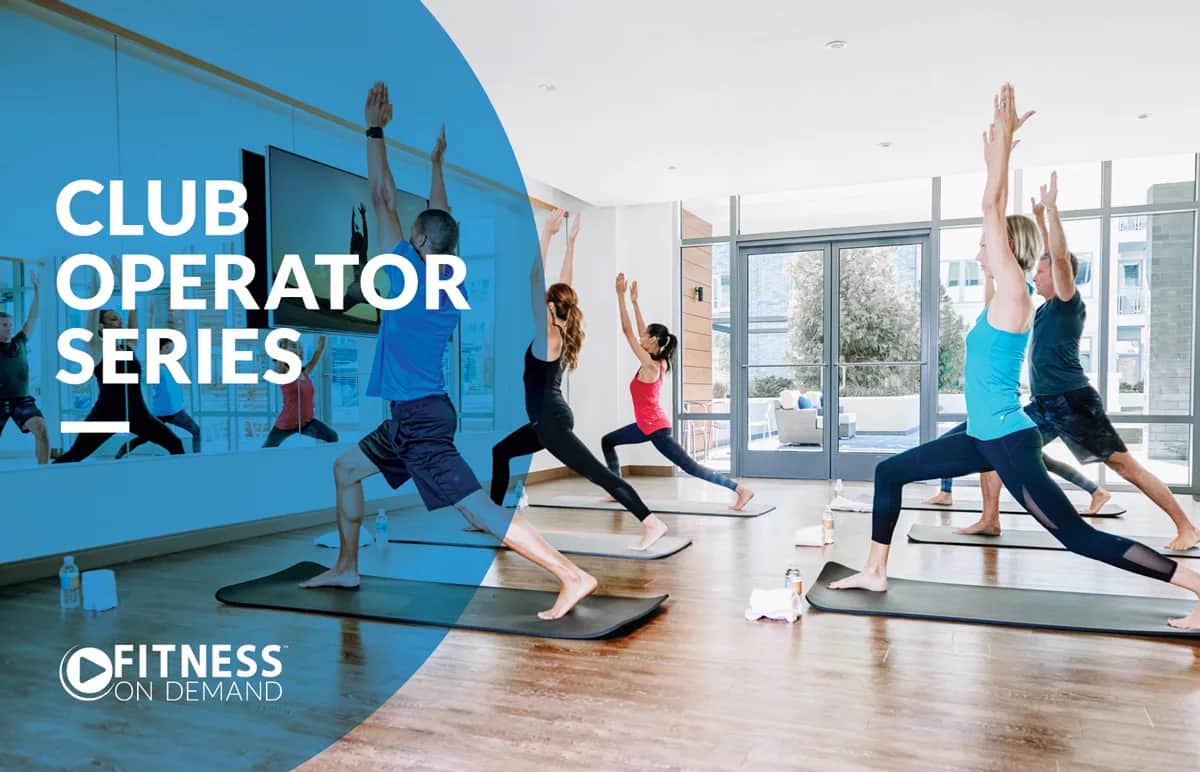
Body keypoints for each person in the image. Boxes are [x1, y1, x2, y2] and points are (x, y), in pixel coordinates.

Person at [830, 83, 1200, 630]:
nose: (979, 250)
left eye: (987, 245)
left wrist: (1000, 152)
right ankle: (876, 571)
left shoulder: (1015, 294)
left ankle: (1194, 584)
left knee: (1076, 537)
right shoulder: (995, 303)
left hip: (1007, 438)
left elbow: (991, 206)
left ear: (1005, 250)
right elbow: (991, 216)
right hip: (981, 433)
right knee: (890, 471)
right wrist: (996, 155)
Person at [300, 83, 597, 621]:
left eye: (411, 234)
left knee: (479, 510)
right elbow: (442, 216)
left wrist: (374, 130)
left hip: (418, 420)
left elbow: (382, 196)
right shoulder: (449, 276)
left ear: (415, 242)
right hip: (416, 413)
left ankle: (572, 575)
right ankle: (347, 567)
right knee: (345, 470)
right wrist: (436, 164)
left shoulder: (408, 271)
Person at [925, 172, 1199, 550]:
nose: (1034, 277)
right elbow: (1043, 259)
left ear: (1058, 274)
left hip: (1074, 402)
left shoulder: (1069, 304)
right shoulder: (1040, 309)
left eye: (1040, 272)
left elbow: (1058, 258)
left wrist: (1051, 212)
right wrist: (1037, 220)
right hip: (1044, 404)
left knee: (1124, 465)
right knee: (994, 445)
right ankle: (990, 518)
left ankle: (1186, 526)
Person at [490, 210, 670, 551]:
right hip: (548, 418)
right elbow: (565, 287)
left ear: (550, 308)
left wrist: (547, 234)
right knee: (501, 451)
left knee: (598, 475)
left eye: (544, 302)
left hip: (551, 422)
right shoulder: (559, 327)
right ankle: (498, 521)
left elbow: (533, 279)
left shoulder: (547, 336)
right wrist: (570, 243)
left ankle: (651, 522)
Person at [600, 272, 755, 510]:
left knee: (690, 467)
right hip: (645, 425)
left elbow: (628, 331)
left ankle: (740, 490)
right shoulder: (655, 357)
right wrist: (634, 301)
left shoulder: (650, 364)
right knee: (608, 441)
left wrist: (619, 296)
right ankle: (616, 489)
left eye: (645, 336)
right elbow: (641, 330)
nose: (641, 337)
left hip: (656, 429)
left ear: (652, 341)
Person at [54, 267, 186, 463]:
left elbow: (133, 310)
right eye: (113, 319)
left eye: (119, 319)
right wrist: (95, 283)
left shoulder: (128, 345)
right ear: (101, 326)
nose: (120, 322)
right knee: (74, 456)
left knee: (176, 445)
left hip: (137, 413)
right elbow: (92, 313)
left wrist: (125, 279)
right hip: (105, 414)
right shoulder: (96, 348)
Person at [115, 309, 201, 457]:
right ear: (159, 350)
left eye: (171, 348)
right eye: (167, 348)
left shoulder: (172, 363)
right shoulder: (154, 365)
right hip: (163, 411)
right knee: (146, 437)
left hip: (174, 410)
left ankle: (196, 456)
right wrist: (151, 316)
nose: (171, 350)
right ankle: (123, 450)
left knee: (195, 430)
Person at [0, 270, 49, 464]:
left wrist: (37, 291)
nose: (9, 327)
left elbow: (33, 318)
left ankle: (43, 473)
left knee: (41, 429)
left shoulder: (20, 341)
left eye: (10, 324)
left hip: (22, 400)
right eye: (4, 325)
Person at [262, 336, 339, 448]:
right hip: (286, 424)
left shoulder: (304, 372)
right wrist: (284, 344)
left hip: (306, 423)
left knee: (332, 436)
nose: (299, 349)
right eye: (294, 346)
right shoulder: (283, 371)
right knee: (267, 449)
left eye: (300, 347)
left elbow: (317, 355)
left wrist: (321, 341)